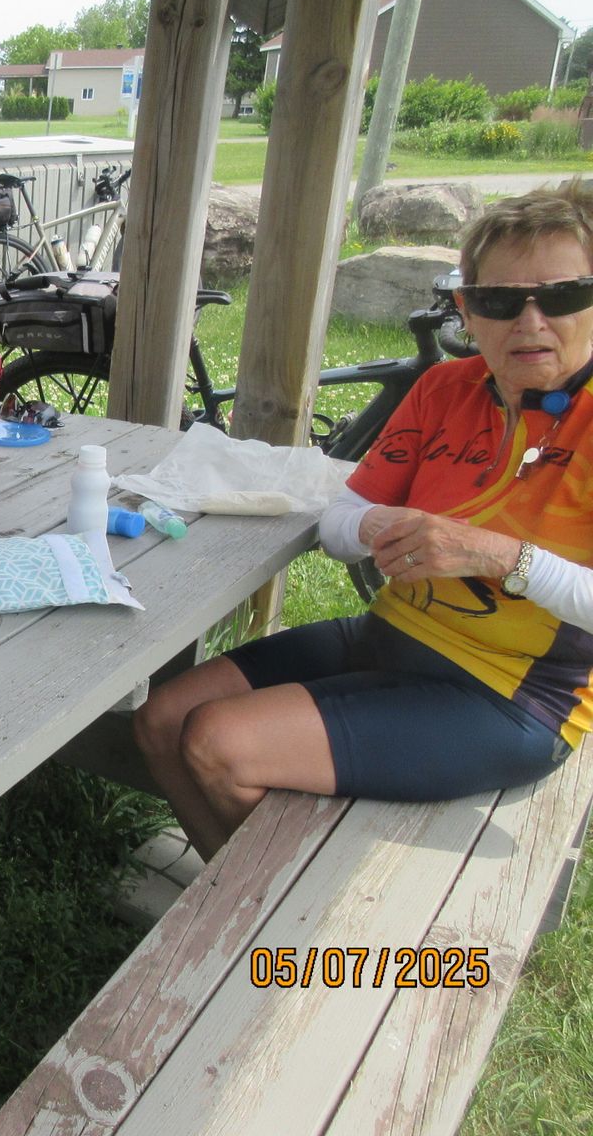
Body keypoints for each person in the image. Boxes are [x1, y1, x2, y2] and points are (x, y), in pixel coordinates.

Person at [135, 179, 593, 861]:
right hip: (391, 632)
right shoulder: (445, 389)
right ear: (467, 310)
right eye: (500, 301)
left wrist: (498, 556)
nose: (530, 322)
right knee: (161, 720)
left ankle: (279, 914)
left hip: (511, 694)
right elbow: (339, 522)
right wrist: (382, 526)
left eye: (560, 296)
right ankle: (228, 897)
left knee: (218, 744)